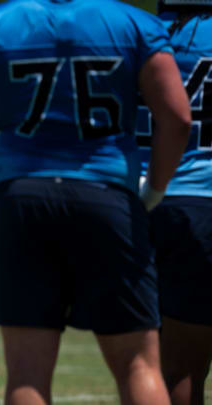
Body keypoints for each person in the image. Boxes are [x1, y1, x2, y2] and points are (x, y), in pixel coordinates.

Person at [0, 1, 192, 405]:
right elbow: (177, 119)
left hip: (21, 199)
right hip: (107, 196)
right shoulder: (133, 23)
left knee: (28, 373)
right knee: (138, 366)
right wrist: (155, 190)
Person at [137, 2, 212, 404]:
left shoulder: (131, 31)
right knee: (186, 369)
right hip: (203, 201)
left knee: (143, 366)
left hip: (135, 201)